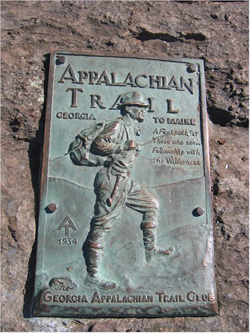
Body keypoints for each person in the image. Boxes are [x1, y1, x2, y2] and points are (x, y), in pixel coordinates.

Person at [83, 92, 174, 290]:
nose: (143, 111)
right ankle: (93, 275)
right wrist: (122, 146)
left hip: (125, 180)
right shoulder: (118, 125)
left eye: (144, 108)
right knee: (102, 225)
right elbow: (98, 144)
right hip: (111, 180)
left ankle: (151, 250)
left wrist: (131, 149)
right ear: (129, 109)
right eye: (140, 107)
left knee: (152, 204)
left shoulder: (132, 128)